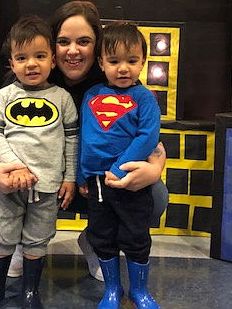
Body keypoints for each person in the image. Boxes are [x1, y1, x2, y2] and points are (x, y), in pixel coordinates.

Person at [0, 1, 168, 281]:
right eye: (63, 41)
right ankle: (18, 236)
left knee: (155, 196)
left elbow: (151, 137)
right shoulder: (28, 75)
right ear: (51, 45)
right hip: (30, 175)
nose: (73, 50)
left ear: (98, 47)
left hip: (91, 179)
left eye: (84, 41)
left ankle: (97, 239)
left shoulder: (116, 81)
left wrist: (155, 168)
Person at [0, 15, 78, 309]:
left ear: (53, 60)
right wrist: (13, 166)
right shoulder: (4, 96)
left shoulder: (62, 98)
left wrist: (69, 176)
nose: (31, 64)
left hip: (46, 186)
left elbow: (72, 141)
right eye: (22, 58)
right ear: (11, 63)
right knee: (3, 236)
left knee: (38, 240)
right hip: (10, 184)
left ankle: (30, 291)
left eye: (40, 56)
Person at [78, 22, 160, 309]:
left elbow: (147, 136)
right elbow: (85, 137)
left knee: (136, 236)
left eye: (132, 61)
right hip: (97, 182)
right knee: (102, 235)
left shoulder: (144, 97)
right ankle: (112, 289)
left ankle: (139, 290)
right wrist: (81, 175)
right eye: (114, 61)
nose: (123, 68)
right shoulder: (91, 95)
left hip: (130, 180)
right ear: (101, 63)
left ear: (143, 62)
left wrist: (120, 166)